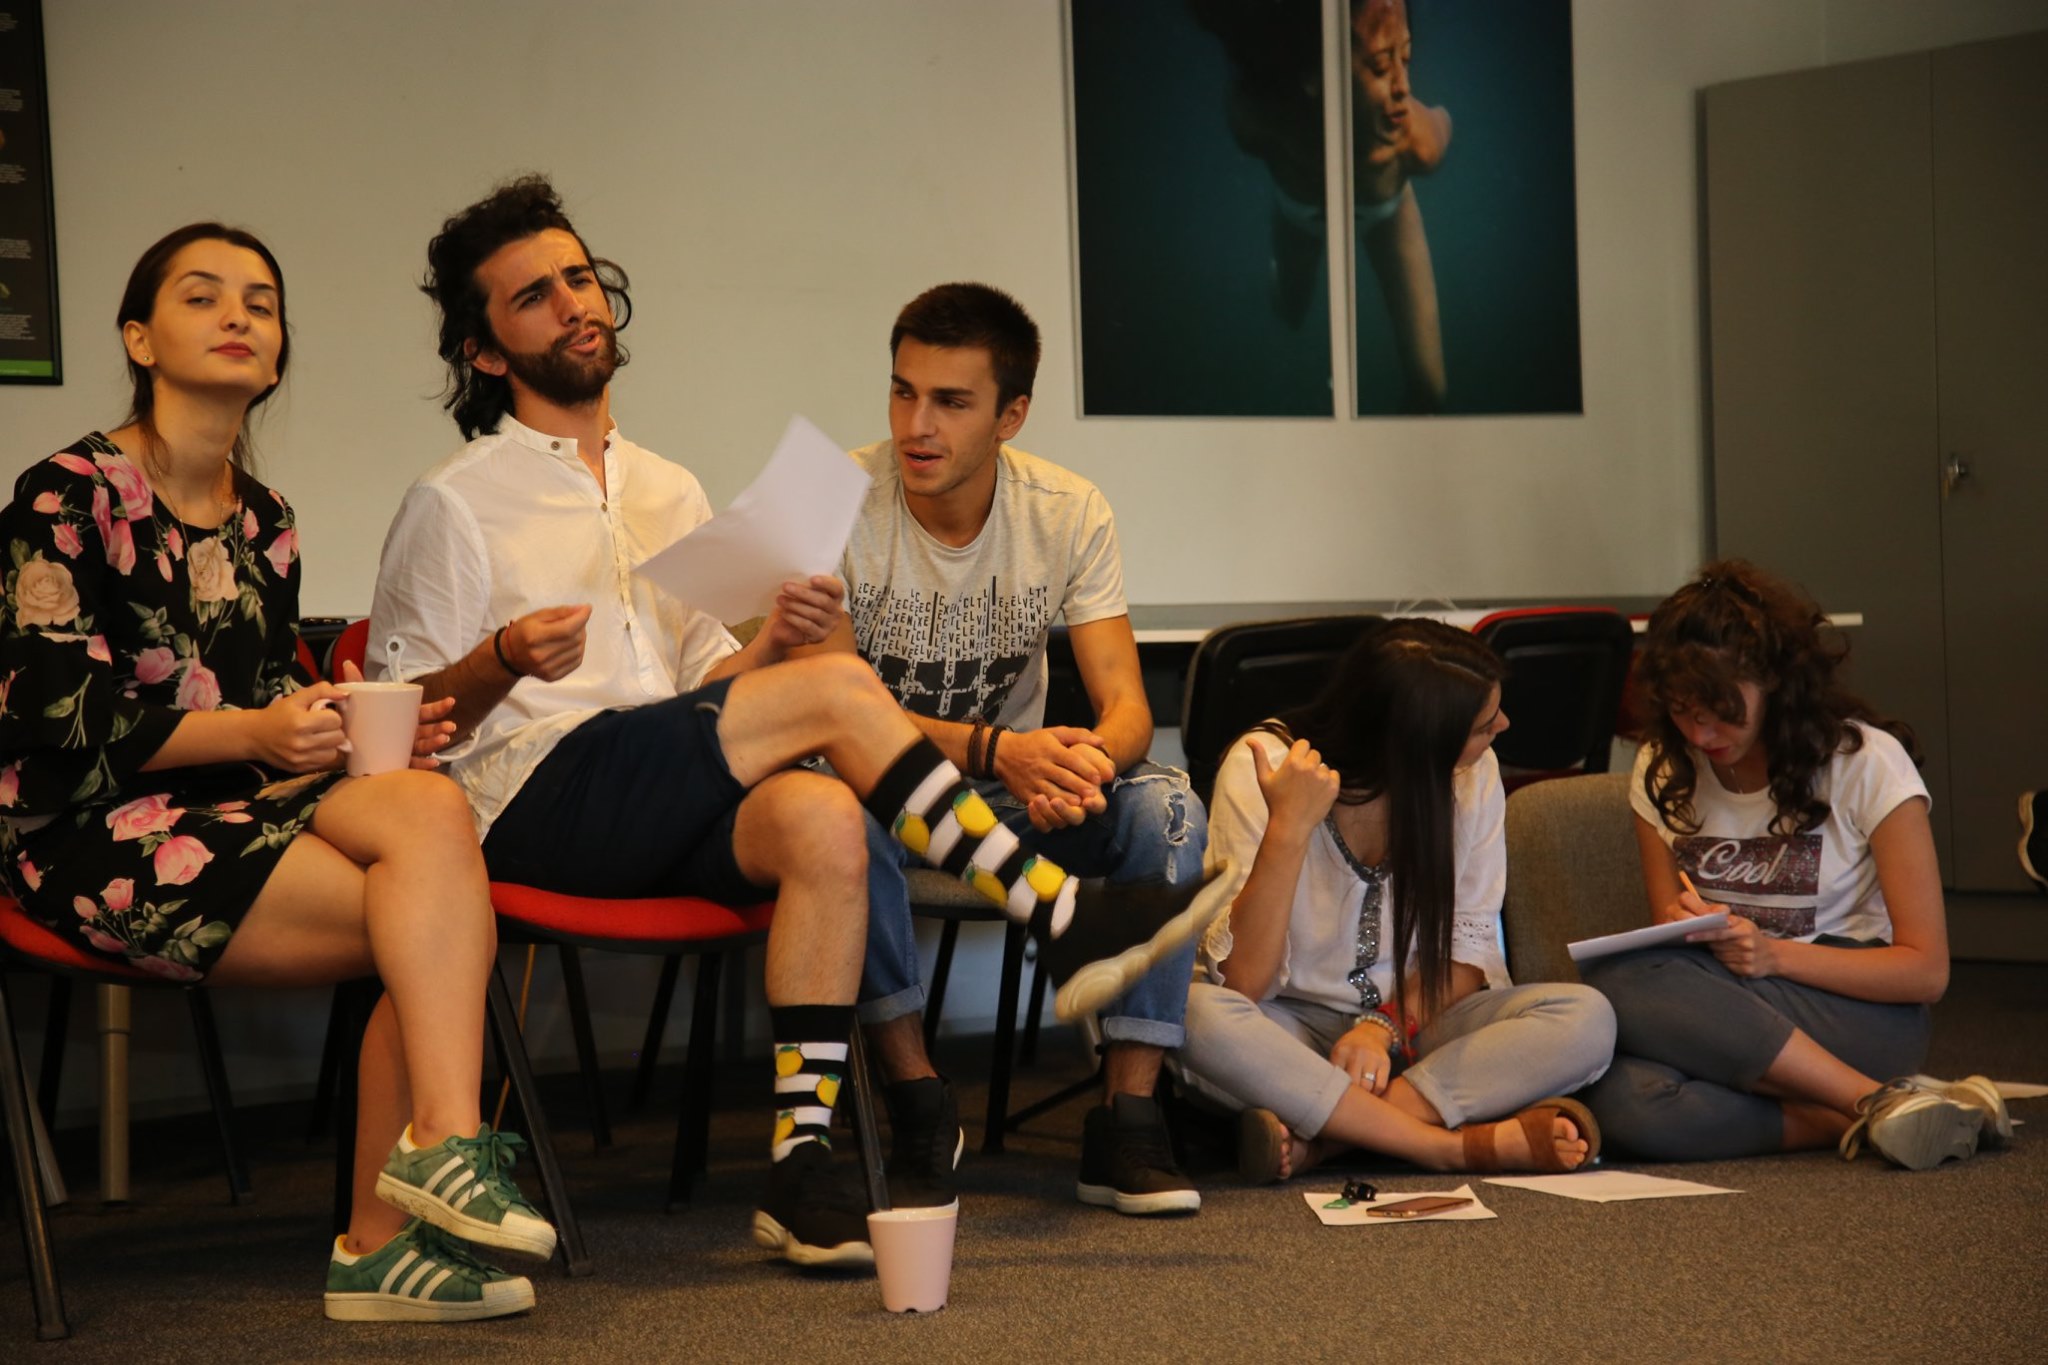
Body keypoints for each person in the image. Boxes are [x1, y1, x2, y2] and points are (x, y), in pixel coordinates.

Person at [367, 178, 1222, 1265]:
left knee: (821, 816)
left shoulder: (670, 488)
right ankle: (1058, 911)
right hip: (531, 801)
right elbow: (402, 725)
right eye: (533, 296)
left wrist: (775, 642)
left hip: (660, 794)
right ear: (486, 351)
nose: (573, 303)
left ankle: (801, 1162)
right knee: (834, 690)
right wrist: (499, 659)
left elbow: (708, 691)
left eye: (578, 277)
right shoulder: (454, 499)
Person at [0, 224, 553, 1323]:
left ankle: (427, 1169)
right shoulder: (68, 493)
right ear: (139, 338)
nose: (238, 316)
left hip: (237, 815)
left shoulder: (266, 520)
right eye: (203, 297)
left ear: (280, 349)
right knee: (432, 925)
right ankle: (390, 1228)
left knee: (427, 810)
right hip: (90, 833)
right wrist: (257, 735)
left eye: (260, 302)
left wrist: (352, 732)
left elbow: (265, 705)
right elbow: (53, 711)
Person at [807, 282, 1212, 1216]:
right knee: (834, 816)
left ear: (1011, 415)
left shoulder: (1067, 510)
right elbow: (837, 708)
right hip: (877, 791)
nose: (917, 425)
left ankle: (1127, 1118)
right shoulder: (831, 499)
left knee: (1169, 807)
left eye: (951, 402)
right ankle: (916, 1098)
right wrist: (1004, 750)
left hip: (1011, 795)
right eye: (904, 392)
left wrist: (1084, 763)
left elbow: (1126, 706)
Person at [1580, 561, 2011, 1169]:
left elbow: (1926, 972)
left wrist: (1773, 955)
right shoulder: (1663, 766)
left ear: (1774, 682)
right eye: (1681, 711)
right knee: (1624, 1103)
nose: (1700, 734)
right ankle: (1888, 1108)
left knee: (1623, 983)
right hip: (1726, 1009)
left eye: (1721, 710)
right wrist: (1690, 929)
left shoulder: (1866, 763)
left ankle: (1867, 1096)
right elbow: (1668, 945)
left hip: (1854, 1012)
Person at [1177, 619, 1614, 1180]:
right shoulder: (1265, 764)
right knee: (1194, 1015)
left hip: (1417, 1024)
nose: (1503, 726)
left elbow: (1468, 950)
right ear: (1416, 744)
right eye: (1483, 726)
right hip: (1287, 1029)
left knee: (1587, 1018)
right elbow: (1244, 983)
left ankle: (1329, 1141)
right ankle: (1446, 1147)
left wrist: (1380, 1028)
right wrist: (1288, 828)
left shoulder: (1472, 772)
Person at [1352, 0, 1452, 413]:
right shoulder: (1262, 116)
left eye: (1406, 57)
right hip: (1301, 210)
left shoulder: (1420, 144)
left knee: (1429, 389)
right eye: (1381, 64)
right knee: (1288, 307)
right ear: (1313, 75)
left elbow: (1443, 121)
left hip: (1387, 210)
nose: (1403, 87)